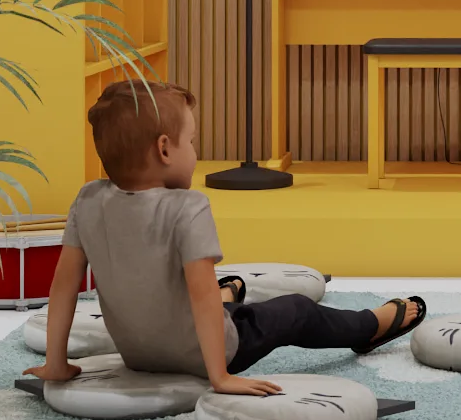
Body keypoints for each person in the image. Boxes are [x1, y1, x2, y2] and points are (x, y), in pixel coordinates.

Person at [24, 80, 424, 395]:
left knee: (218, 299)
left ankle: (230, 296)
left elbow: (64, 286)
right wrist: (219, 376)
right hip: (201, 354)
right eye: (191, 141)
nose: (195, 151)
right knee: (297, 310)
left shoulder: (88, 199)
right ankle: (368, 325)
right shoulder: (187, 206)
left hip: (137, 353)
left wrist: (55, 362)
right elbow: (201, 297)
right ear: (164, 149)